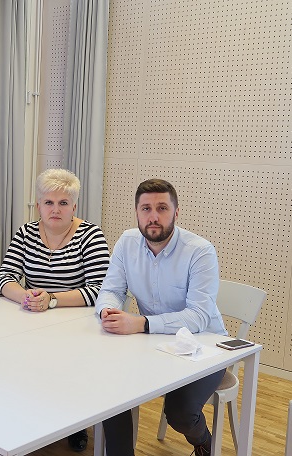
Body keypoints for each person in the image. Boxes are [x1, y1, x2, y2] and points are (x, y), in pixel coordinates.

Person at [95, 178, 227, 456]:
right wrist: (107, 309)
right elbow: (111, 290)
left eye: (162, 208)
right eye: (146, 209)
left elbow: (198, 316)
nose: (153, 217)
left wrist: (141, 323)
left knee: (180, 413)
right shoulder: (127, 242)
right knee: (111, 387)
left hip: (205, 347)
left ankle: (204, 441)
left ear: (176, 213)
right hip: (152, 343)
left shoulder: (200, 251)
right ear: (137, 212)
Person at [0, 168, 109, 452]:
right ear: (38, 205)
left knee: (69, 371)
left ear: (74, 207)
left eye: (63, 203)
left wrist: (52, 299)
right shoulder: (25, 233)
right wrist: (26, 297)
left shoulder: (91, 235)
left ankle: (76, 422)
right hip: (32, 318)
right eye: (48, 202)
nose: (55, 209)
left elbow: (100, 290)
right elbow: (4, 278)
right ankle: (30, 415)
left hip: (77, 325)